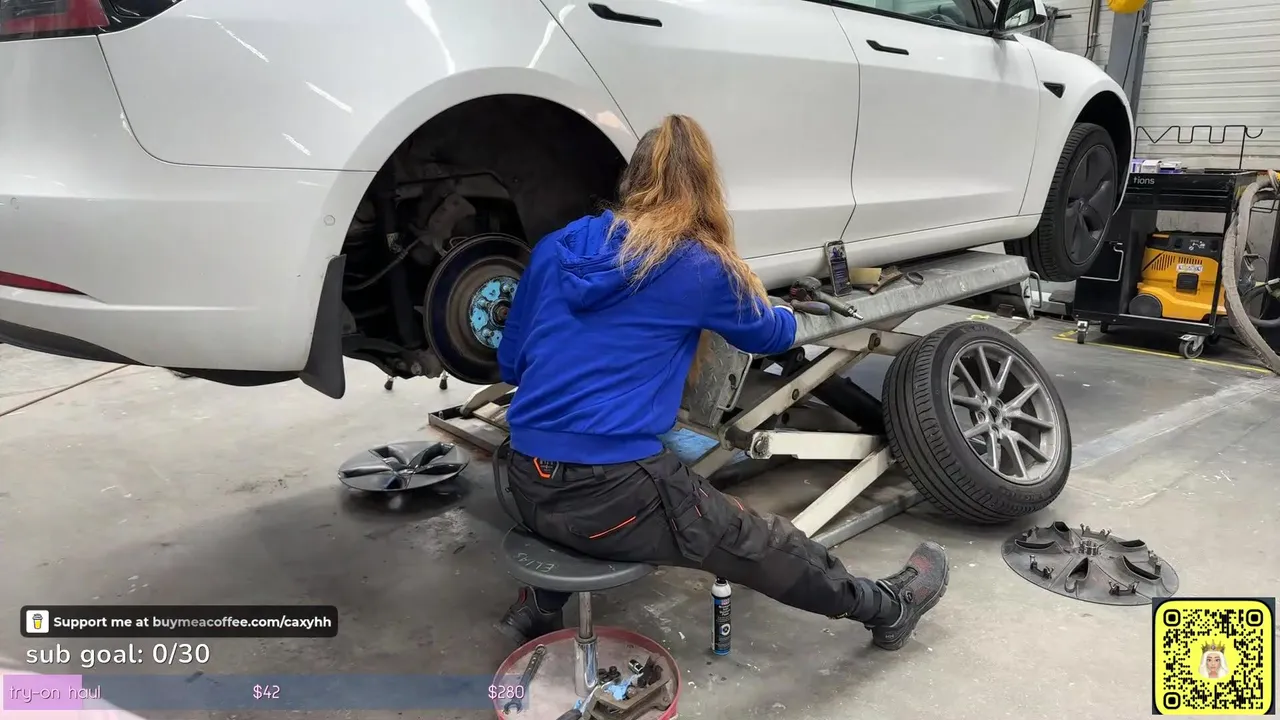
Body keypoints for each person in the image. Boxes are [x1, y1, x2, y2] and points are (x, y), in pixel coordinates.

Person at [493, 114, 948, 651]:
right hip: (612, 499)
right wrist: (780, 308)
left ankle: (535, 608)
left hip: (522, 482)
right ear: (705, 188)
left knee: (585, 487)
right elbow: (770, 335)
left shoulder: (554, 249)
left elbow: (511, 364)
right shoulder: (696, 264)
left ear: (631, 179)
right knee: (755, 540)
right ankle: (887, 607)